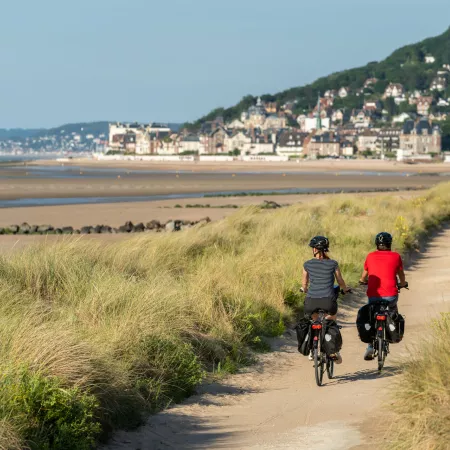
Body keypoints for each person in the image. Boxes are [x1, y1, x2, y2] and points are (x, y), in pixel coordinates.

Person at [359, 231, 408, 360]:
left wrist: (362, 281)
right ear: (389, 244)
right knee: (393, 312)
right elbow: (401, 275)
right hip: (391, 295)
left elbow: (364, 276)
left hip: (373, 295)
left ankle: (370, 346)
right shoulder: (396, 256)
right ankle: (392, 332)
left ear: (377, 244)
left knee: (372, 316)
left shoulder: (370, 256)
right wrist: (403, 284)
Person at [302, 235, 351, 364]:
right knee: (331, 321)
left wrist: (304, 289)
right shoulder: (333, 264)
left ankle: (312, 348)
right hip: (328, 301)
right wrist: (345, 289)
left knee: (314, 320)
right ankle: (333, 349)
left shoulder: (307, 264)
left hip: (311, 301)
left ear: (315, 249)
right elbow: (340, 281)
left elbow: (304, 284)